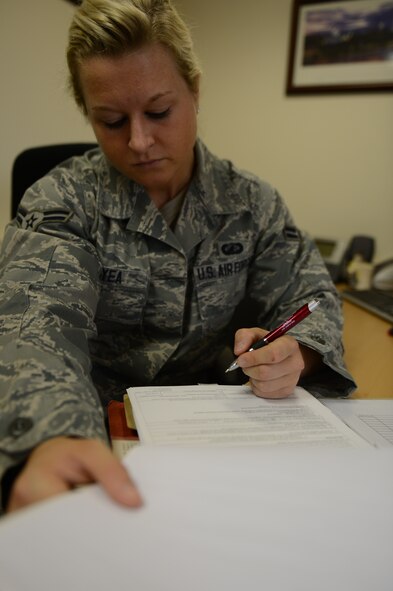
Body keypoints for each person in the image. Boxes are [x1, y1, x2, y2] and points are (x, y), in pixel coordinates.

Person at [0, 0, 355, 514]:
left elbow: (311, 297)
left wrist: (297, 351)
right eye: (112, 120)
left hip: (218, 439)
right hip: (90, 428)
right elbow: (35, 325)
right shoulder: (60, 200)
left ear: (195, 89)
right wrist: (53, 436)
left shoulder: (252, 204)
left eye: (159, 112)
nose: (140, 141)